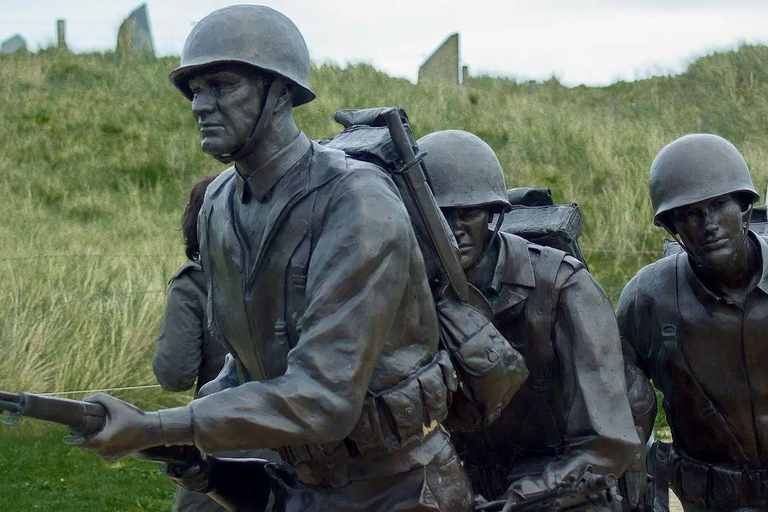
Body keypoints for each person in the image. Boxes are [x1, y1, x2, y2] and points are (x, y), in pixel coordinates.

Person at [77, 5, 472, 511]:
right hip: (300, 485)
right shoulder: (218, 205)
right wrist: (187, 438)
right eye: (194, 90)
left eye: (222, 85)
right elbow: (244, 368)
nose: (201, 105)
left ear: (281, 92)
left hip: (399, 488)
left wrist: (162, 425)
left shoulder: (356, 201)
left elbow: (324, 399)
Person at [418, 130, 640, 509]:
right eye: (440, 214)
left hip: (561, 482)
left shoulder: (562, 286)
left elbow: (608, 443)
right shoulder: (415, 290)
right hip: (464, 481)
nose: (453, 229)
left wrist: (525, 498)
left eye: (468, 212)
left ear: (492, 215)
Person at [618, 134, 768, 511]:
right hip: (710, 496)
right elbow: (623, 412)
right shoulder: (648, 298)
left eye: (719, 205)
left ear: (745, 208)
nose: (708, 224)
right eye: (689, 214)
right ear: (673, 228)